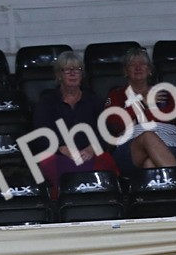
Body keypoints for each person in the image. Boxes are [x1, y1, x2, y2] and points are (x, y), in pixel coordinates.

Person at [30, 50, 117, 195]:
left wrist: (91, 148)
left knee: (105, 165)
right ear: (58, 75)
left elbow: (106, 131)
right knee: (63, 172)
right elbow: (40, 135)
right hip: (57, 154)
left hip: (90, 153)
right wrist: (62, 149)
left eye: (77, 69)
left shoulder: (94, 100)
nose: (72, 73)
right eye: (67, 70)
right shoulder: (47, 102)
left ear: (82, 75)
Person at [103, 47, 176, 177]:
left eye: (142, 64)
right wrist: (143, 103)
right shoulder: (116, 95)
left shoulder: (166, 93)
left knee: (150, 163)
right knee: (147, 136)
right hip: (130, 149)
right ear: (126, 71)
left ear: (149, 70)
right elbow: (114, 123)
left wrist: (135, 116)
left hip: (169, 146)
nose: (138, 68)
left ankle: (163, 193)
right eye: (133, 65)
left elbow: (172, 116)